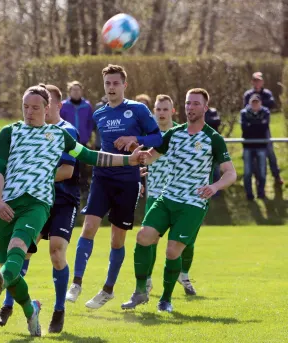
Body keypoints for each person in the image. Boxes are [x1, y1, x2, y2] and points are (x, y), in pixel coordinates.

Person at [0, 84, 144, 337]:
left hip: (37, 204)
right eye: (25, 107)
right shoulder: (9, 132)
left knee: (19, 248)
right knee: (11, 268)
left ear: (47, 109)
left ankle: (4, 285)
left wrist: (128, 160)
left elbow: (92, 156)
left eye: (35, 107)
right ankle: (30, 308)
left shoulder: (59, 135)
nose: (29, 112)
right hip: (7, 203)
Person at [122, 88, 237, 313]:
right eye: (187, 103)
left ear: (205, 107)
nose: (190, 107)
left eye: (195, 104)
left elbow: (230, 173)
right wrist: (139, 157)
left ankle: (165, 299)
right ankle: (139, 292)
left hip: (192, 204)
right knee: (144, 236)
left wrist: (214, 186)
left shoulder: (213, 138)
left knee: (172, 251)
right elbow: (152, 156)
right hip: (167, 197)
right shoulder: (174, 133)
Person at [65, 64, 162, 310]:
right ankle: (75, 283)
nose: (111, 87)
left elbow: (158, 138)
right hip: (103, 177)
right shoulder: (99, 114)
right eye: (107, 83)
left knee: (117, 240)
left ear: (124, 85)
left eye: (115, 83)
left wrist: (135, 140)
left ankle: (108, 289)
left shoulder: (138, 109)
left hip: (128, 181)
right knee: (88, 226)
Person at [0, 84, 80, 334]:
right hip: (28, 199)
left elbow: (68, 170)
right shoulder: (19, 132)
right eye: (27, 106)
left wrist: (33, 175)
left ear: (52, 106)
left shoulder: (65, 132)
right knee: (21, 255)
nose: (32, 111)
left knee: (56, 253)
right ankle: (11, 305)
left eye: (40, 105)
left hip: (60, 201)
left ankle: (59, 309)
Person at [144, 95, 197, 296]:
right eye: (158, 109)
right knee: (150, 241)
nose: (162, 113)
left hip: (181, 196)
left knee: (187, 241)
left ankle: (184, 275)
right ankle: (147, 280)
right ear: (154, 111)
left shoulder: (182, 133)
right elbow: (141, 160)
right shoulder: (149, 135)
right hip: (155, 195)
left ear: (173, 111)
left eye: (165, 109)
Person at [243, 72, 282, 185]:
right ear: (252, 82)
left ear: (262, 81)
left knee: (270, 153)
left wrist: (258, 105)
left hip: (264, 129)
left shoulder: (267, 93)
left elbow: (272, 104)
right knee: (253, 156)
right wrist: (259, 106)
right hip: (251, 130)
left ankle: (276, 176)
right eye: (255, 80)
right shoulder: (248, 94)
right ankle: (258, 180)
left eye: (259, 80)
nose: (257, 83)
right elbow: (246, 108)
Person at [241, 94, 270, 200]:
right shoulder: (244, 113)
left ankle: (261, 193)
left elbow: (264, 128)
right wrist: (258, 124)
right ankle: (249, 195)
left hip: (261, 146)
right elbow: (245, 128)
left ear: (260, 103)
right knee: (247, 172)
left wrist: (251, 125)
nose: (255, 104)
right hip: (248, 146)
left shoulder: (265, 112)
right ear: (249, 103)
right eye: (253, 102)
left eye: (256, 102)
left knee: (262, 172)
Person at [60, 81, 94, 146]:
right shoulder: (63, 105)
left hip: (83, 141)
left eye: (78, 89)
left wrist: (88, 135)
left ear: (81, 91)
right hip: (67, 141)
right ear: (69, 91)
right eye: (74, 89)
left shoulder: (87, 106)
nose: (76, 92)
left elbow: (90, 122)